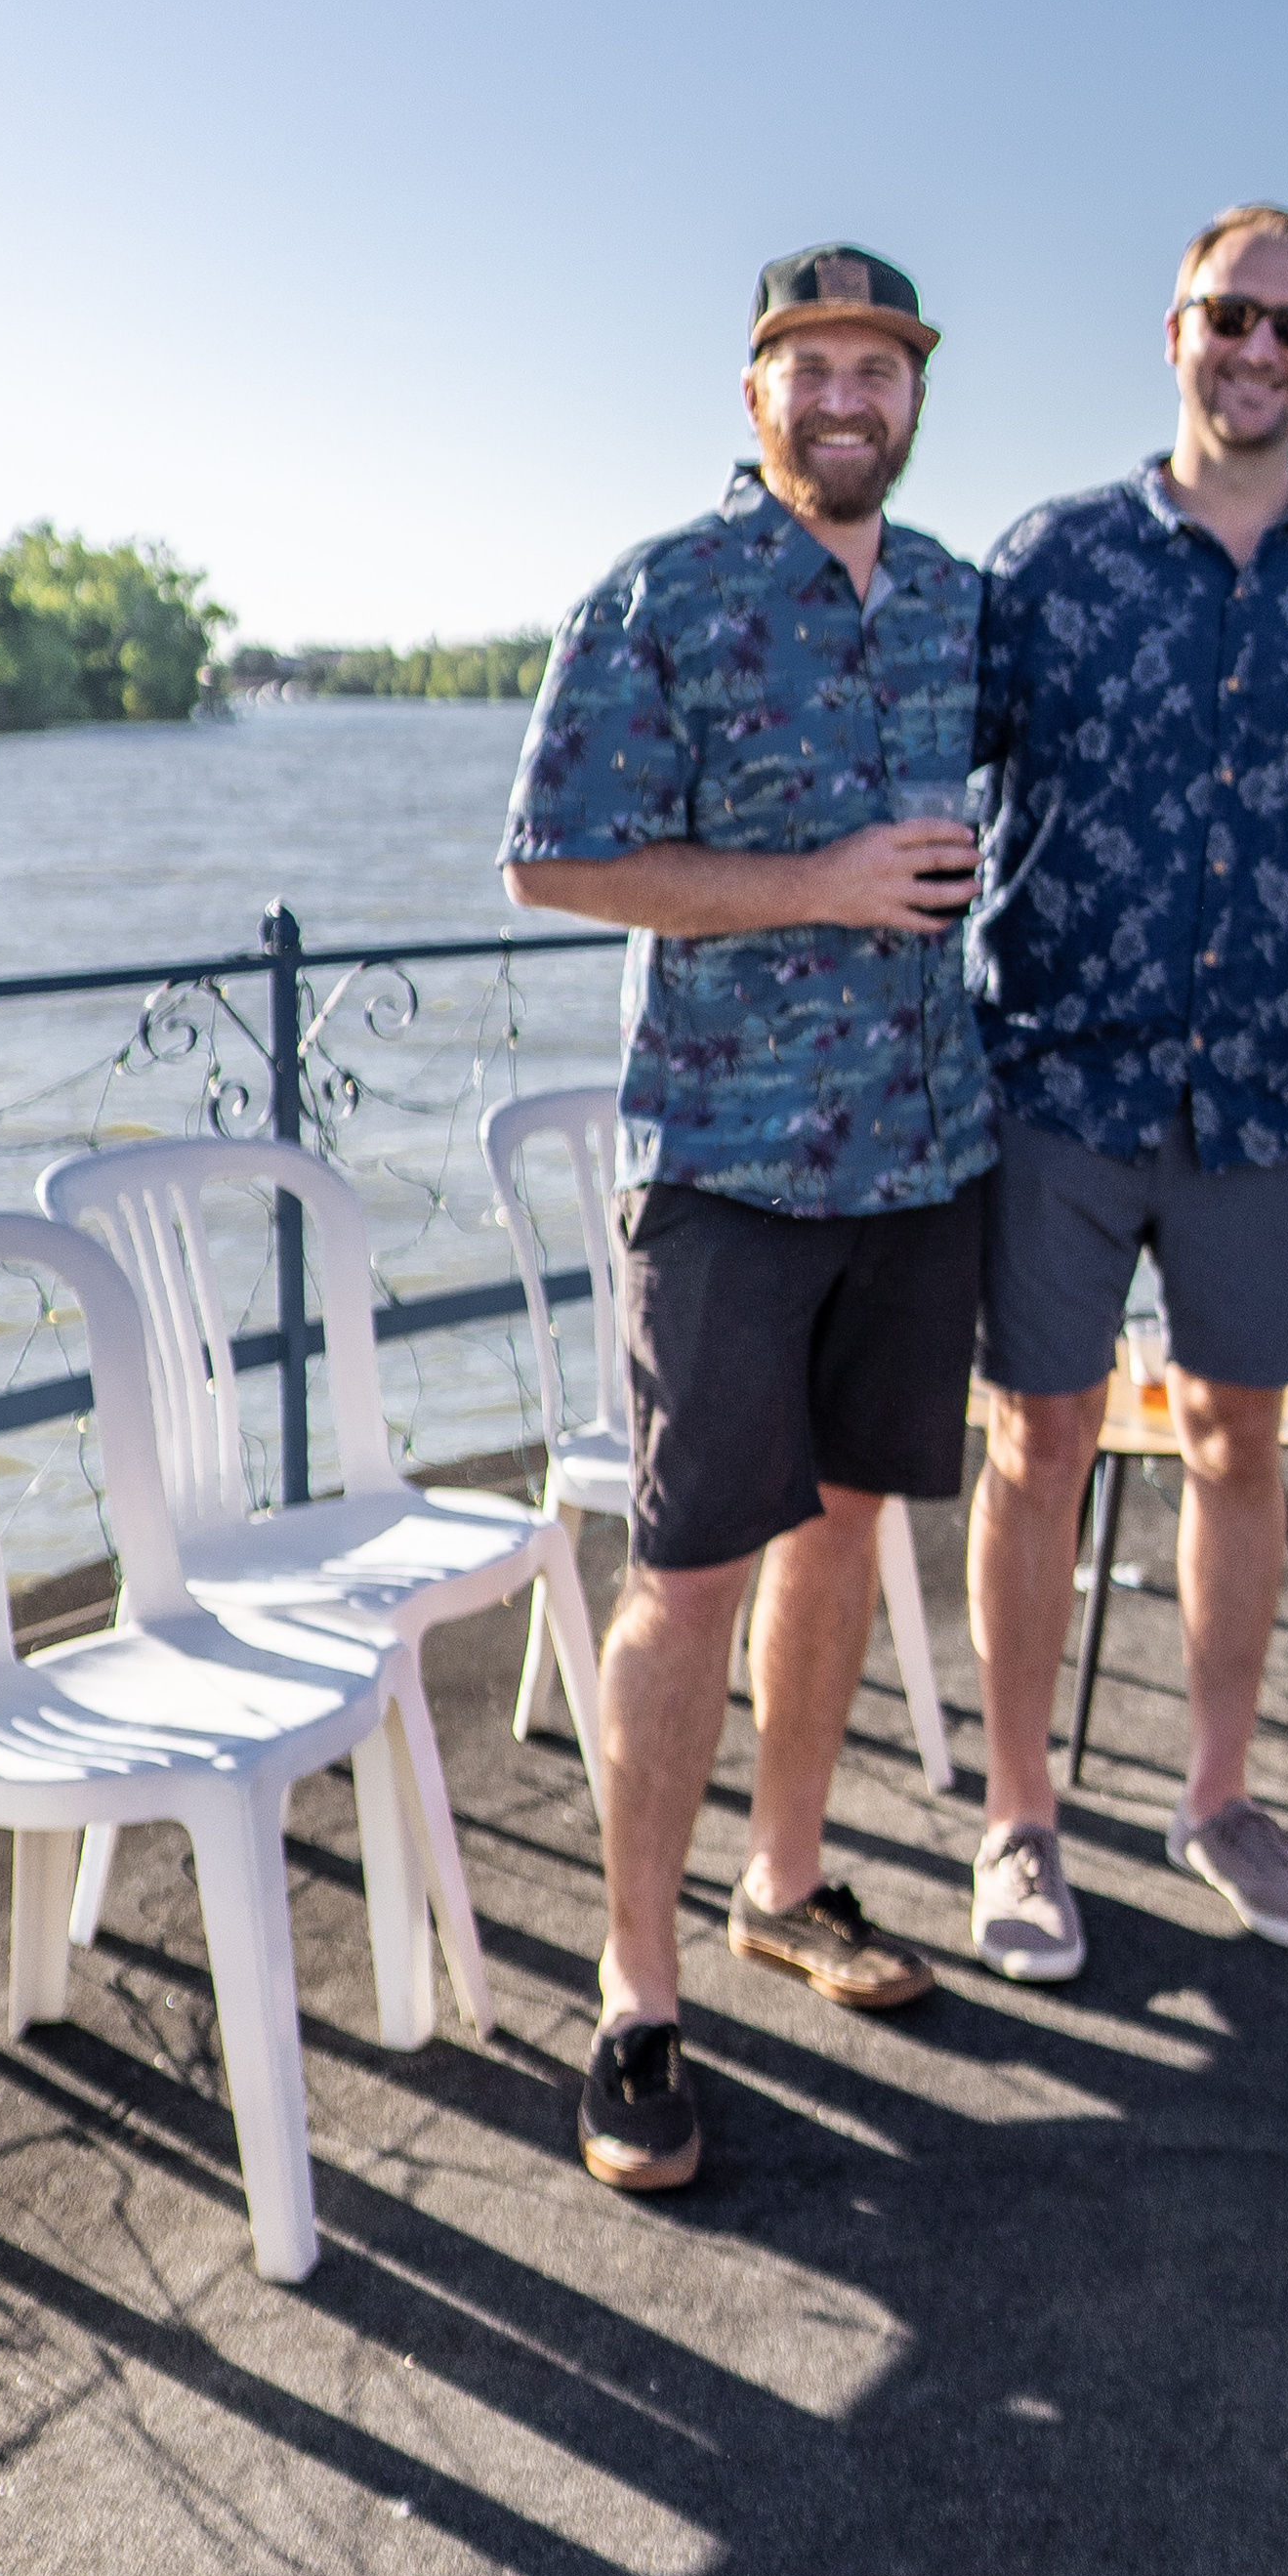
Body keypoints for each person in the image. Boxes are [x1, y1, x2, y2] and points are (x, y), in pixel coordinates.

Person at [501, 244, 994, 2195]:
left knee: (849, 1532)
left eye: (880, 366)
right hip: (723, 1164)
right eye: (813, 366)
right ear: (755, 394)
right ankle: (635, 1993)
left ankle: (782, 1885)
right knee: (688, 1571)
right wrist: (819, 883)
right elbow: (553, 864)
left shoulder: (961, 602)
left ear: (914, 396)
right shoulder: (662, 594)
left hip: (924, 1156)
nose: (847, 396)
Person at [962, 204, 1288, 1979]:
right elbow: (923, 775)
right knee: (1040, 1443)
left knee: (1243, 1447)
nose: (1261, 351)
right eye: (1232, 316)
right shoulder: (1052, 559)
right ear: (1173, 330)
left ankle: (1220, 1797)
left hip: (1267, 1094)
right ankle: (1020, 1825)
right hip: (1058, 1085)